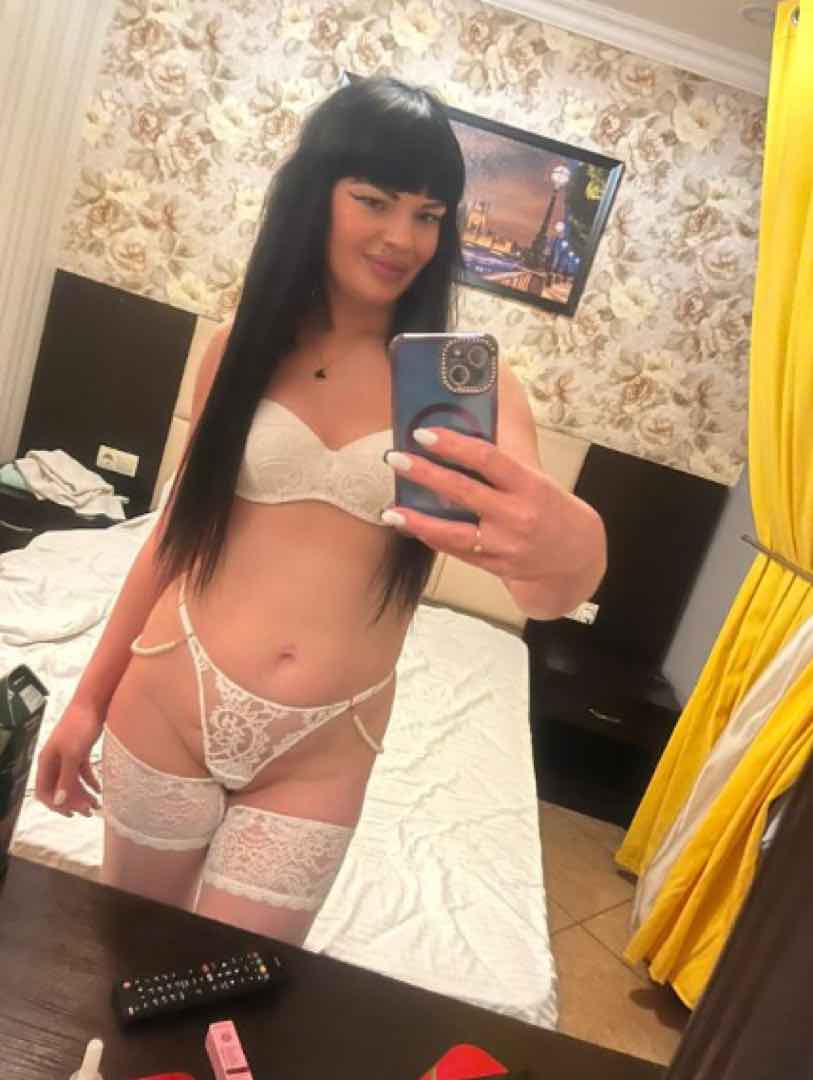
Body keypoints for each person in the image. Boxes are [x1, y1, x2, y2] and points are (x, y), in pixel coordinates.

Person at [35, 76, 606, 946]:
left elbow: (547, 592)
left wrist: (572, 542)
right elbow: (174, 538)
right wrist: (87, 701)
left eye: (427, 213)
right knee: (131, 957)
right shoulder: (241, 348)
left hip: (324, 745)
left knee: (226, 990)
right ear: (316, 194)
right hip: (167, 698)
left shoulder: (472, 390)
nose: (402, 237)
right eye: (373, 200)